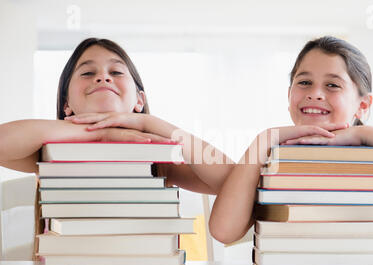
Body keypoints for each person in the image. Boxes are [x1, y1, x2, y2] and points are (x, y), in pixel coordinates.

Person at [209, 35, 373, 244]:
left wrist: (363, 133)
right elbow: (223, 231)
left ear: (363, 105)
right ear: (289, 94)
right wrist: (262, 141)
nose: (314, 93)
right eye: (304, 82)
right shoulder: (269, 160)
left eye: (332, 85)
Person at [0, 38, 234, 194]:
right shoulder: (50, 154)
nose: (103, 77)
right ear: (66, 105)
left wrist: (148, 122)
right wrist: (100, 132)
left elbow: (234, 183)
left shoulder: (159, 160)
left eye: (116, 71)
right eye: (88, 72)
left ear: (139, 101)